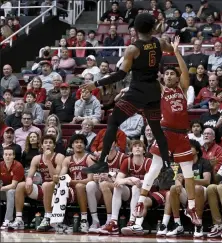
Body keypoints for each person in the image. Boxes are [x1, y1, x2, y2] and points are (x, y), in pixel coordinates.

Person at [81, 13, 175, 174]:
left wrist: (95, 84)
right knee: (157, 130)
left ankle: (103, 161)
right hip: (153, 90)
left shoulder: (133, 48)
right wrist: (156, 33)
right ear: (152, 28)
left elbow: (120, 75)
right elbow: (172, 49)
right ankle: (167, 167)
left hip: (138, 91)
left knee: (113, 121)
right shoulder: (159, 42)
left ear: (135, 29)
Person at [134, 36, 200, 226]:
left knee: (188, 171)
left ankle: (192, 207)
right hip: (165, 132)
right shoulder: (162, 90)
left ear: (177, 77)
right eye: (167, 74)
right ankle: (140, 203)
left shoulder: (183, 89)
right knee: (154, 168)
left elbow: (185, 72)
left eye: (172, 74)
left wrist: (176, 51)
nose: (169, 76)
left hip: (181, 134)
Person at [8, 135, 64, 230]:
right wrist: (29, 179)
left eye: (50, 143)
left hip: (58, 190)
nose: (48, 145)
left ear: (54, 146)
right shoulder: (37, 158)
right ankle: (19, 219)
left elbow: (56, 178)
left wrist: (49, 161)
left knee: (47, 184)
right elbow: (29, 175)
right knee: (21, 185)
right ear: (41, 146)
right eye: (45, 143)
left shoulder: (59, 157)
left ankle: (48, 218)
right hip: (44, 189)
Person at [0, 147, 24, 230]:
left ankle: (8, 220)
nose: (8, 156)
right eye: (6, 154)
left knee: (10, 192)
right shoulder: (1, 165)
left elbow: (13, 185)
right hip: (5, 188)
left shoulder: (18, 166)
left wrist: (1, 188)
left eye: (10, 154)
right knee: (8, 191)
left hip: (18, 190)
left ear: (13, 156)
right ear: (3, 156)